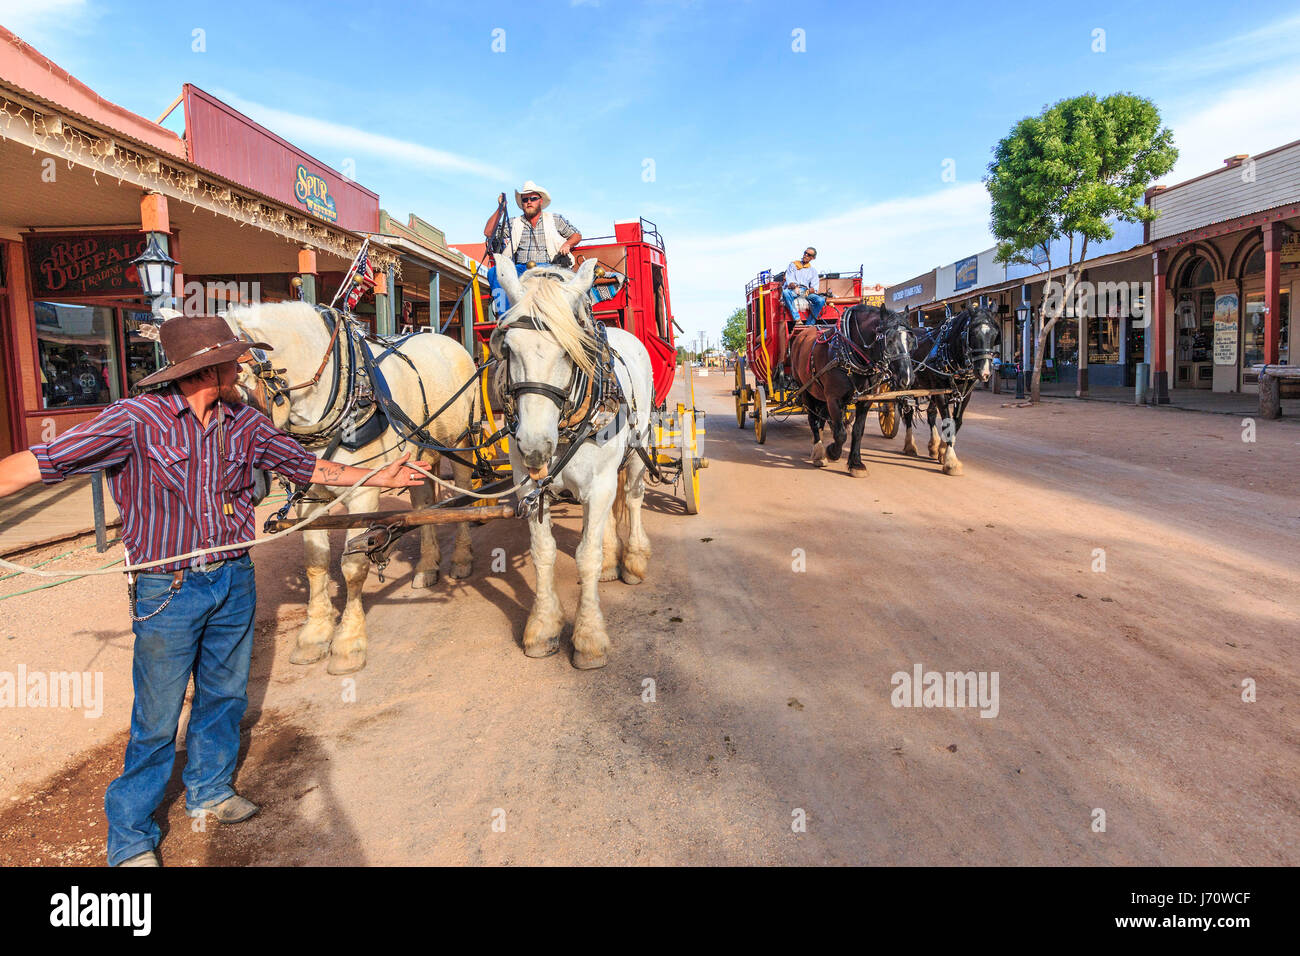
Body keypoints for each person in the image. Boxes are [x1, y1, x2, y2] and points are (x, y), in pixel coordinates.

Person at [0, 314, 427, 867]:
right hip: (167, 588)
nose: (243, 367)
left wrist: (382, 477)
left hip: (233, 579)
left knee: (224, 697)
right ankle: (129, 836)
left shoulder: (242, 422)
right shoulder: (133, 420)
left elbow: (307, 465)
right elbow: (39, 462)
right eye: (233, 361)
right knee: (156, 718)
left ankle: (210, 789)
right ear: (206, 369)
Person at [483, 181, 582, 299]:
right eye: (525, 200)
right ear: (522, 203)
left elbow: (576, 235)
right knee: (493, 272)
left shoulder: (555, 219)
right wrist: (501, 209)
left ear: (540, 201)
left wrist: (567, 244)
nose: (529, 202)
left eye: (533, 198)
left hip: (549, 266)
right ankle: (504, 312)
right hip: (521, 269)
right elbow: (489, 232)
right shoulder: (514, 222)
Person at [783, 247, 826, 325]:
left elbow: (815, 288)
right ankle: (797, 319)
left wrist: (808, 291)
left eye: (808, 254)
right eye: (805, 253)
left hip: (805, 292)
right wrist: (795, 287)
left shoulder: (813, 271)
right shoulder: (793, 265)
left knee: (821, 300)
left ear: (812, 258)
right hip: (793, 290)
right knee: (786, 293)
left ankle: (809, 324)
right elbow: (789, 279)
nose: (805, 255)